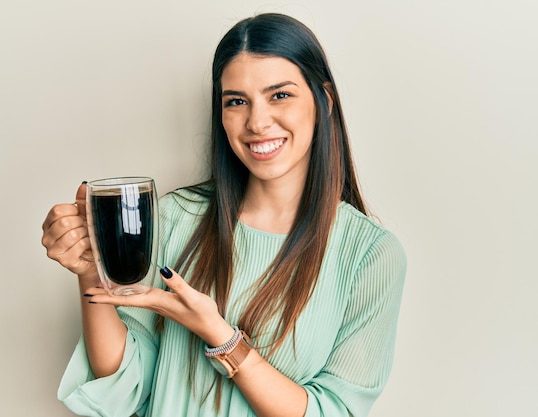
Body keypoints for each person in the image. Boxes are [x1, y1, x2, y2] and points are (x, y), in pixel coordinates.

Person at [41, 12, 406, 417]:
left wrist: (219, 335)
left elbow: (332, 411)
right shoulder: (175, 219)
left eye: (280, 95)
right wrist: (93, 274)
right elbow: (124, 388)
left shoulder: (370, 255)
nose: (257, 122)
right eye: (237, 101)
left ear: (324, 102)